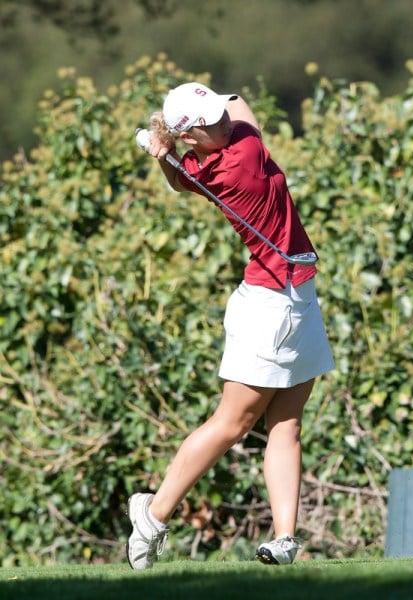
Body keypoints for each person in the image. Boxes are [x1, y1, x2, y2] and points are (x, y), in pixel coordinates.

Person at [127, 81, 334, 569]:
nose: (224, 120)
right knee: (232, 422)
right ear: (193, 137)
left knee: (286, 424)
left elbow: (182, 175)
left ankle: (284, 540)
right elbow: (245, 109)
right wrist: (174, 137)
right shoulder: (243, 156)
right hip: (270, 306)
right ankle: (152, 514)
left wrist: (164, 149)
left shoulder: (201, 164)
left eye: (218, 113)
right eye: (210, 122)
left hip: (296, 296)